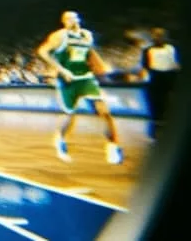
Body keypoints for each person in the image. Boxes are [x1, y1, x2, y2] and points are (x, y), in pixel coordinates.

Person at [35, 10, 123, 165]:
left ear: (79, 19)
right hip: (68, 80)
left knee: (104, 111)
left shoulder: (87, 35)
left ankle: (113, 145)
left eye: (74, 18)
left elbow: (89, 53)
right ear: (63, 21)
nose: (72, 21)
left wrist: (101, 70)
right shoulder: (59, 36)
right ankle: (60, 138)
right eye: (68, 19)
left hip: (86, 77)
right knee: (69, 115)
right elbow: (42, 51)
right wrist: (61, 70)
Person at [138, 27, 181, 138]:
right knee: (156, 105)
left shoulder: (172, 48)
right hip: (155, 78)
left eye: (161, 35)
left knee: (170, 104)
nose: (158, 38)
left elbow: (177, 64)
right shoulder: (148, 50)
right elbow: (145, 66)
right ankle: (156, 130)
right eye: (156, 35)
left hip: (171, 77)